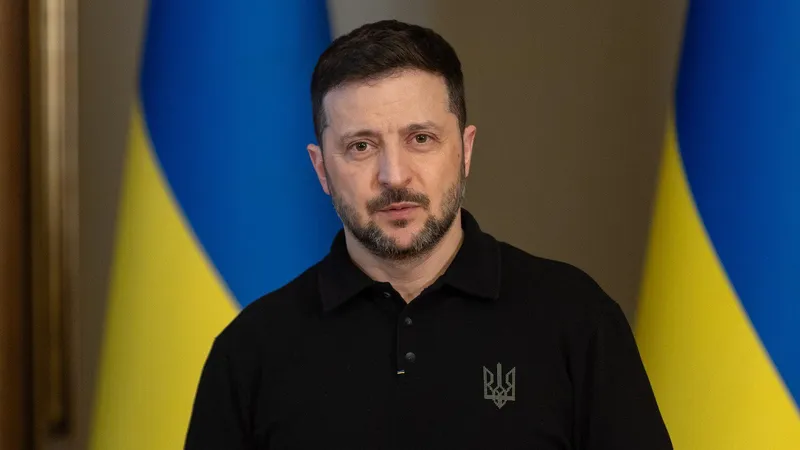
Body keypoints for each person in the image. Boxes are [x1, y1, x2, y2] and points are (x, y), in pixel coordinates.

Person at [184, 19, 672, 450]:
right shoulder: (250, 351)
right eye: (361, 146)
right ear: (321, 169)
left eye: (421, 139)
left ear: (465, 150)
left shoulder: (576, 319)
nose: (394, 175)